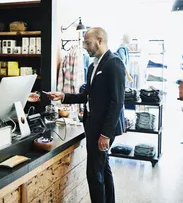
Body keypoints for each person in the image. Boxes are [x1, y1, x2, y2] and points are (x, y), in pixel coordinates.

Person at [47, 27, 126, 203]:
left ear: (100, 40)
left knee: (94, 172)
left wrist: (105, 134)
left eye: (88, 43)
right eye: (84, 43)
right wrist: (64, 96)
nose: (85, 47)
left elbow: (117, 102)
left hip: (103, 128)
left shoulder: (114, 63)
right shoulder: (92, 66)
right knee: (103, 168)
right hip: (92, 124)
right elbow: (86, 96)